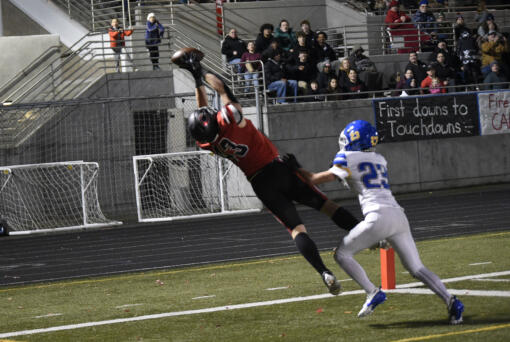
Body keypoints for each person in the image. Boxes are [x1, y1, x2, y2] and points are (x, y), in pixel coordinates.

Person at [174, 49, 361, 295]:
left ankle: (324, 272)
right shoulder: (231, 119)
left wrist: (195, 78)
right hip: (278, 168)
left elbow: (203, 112)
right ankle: (369, 235)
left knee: (296, 230)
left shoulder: (208, 142)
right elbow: (223, 89)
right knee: (326, 205)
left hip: (260, 182)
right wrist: (201, 69)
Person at [286, 120, 464, 324]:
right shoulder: (379, 159)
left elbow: (314, 179)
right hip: (398, 215)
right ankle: (452, 302)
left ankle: (372, 292)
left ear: (353, 138)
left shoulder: (346, 156)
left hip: (378, 216)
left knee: (341, 254)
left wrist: (297, 168)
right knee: (417, 268)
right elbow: (357, 179)